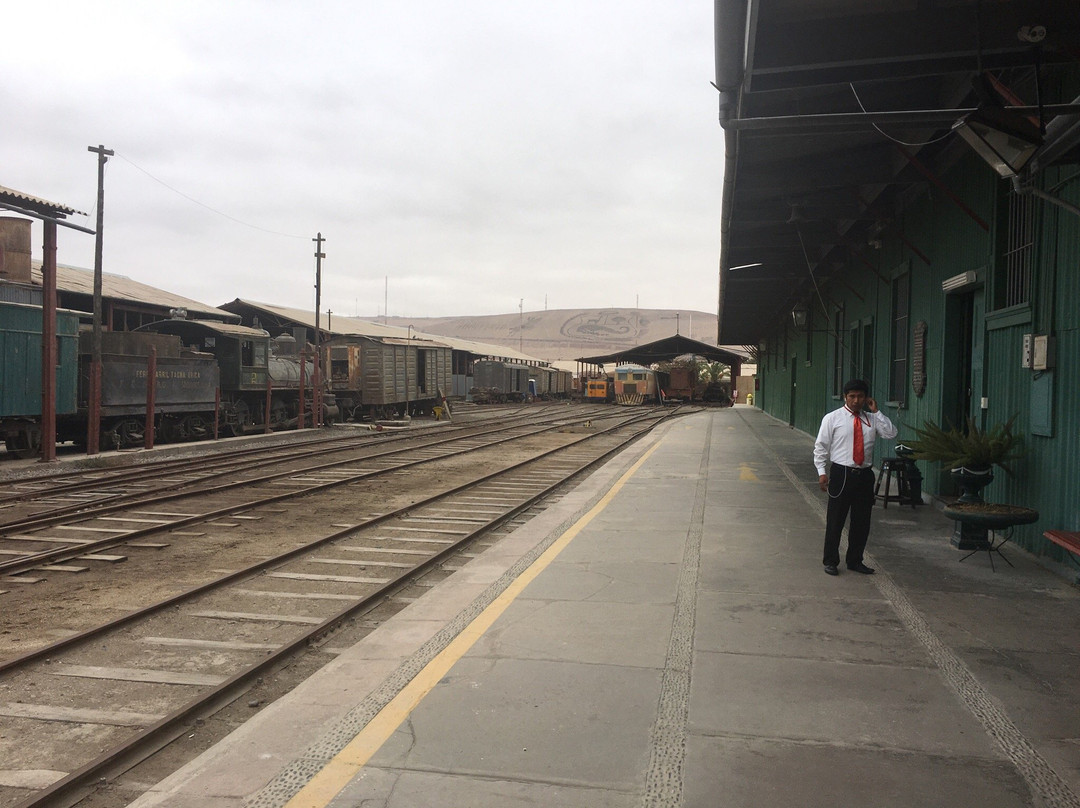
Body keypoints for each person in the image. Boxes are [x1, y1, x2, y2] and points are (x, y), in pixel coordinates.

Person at [813, 379, 897, 576]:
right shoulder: (832, 418)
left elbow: (891, 433)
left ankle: (855, 560)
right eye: (852, 396)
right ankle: (831, 560)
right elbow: (821, 447)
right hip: (841, 473)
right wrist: (821, 472)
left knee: (861, 522)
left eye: (860, 396)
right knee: (836, 519)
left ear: (866, 398)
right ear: (845, 397)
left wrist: (877, 412)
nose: (856, 400)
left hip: (864, 475)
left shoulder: (872, 419)